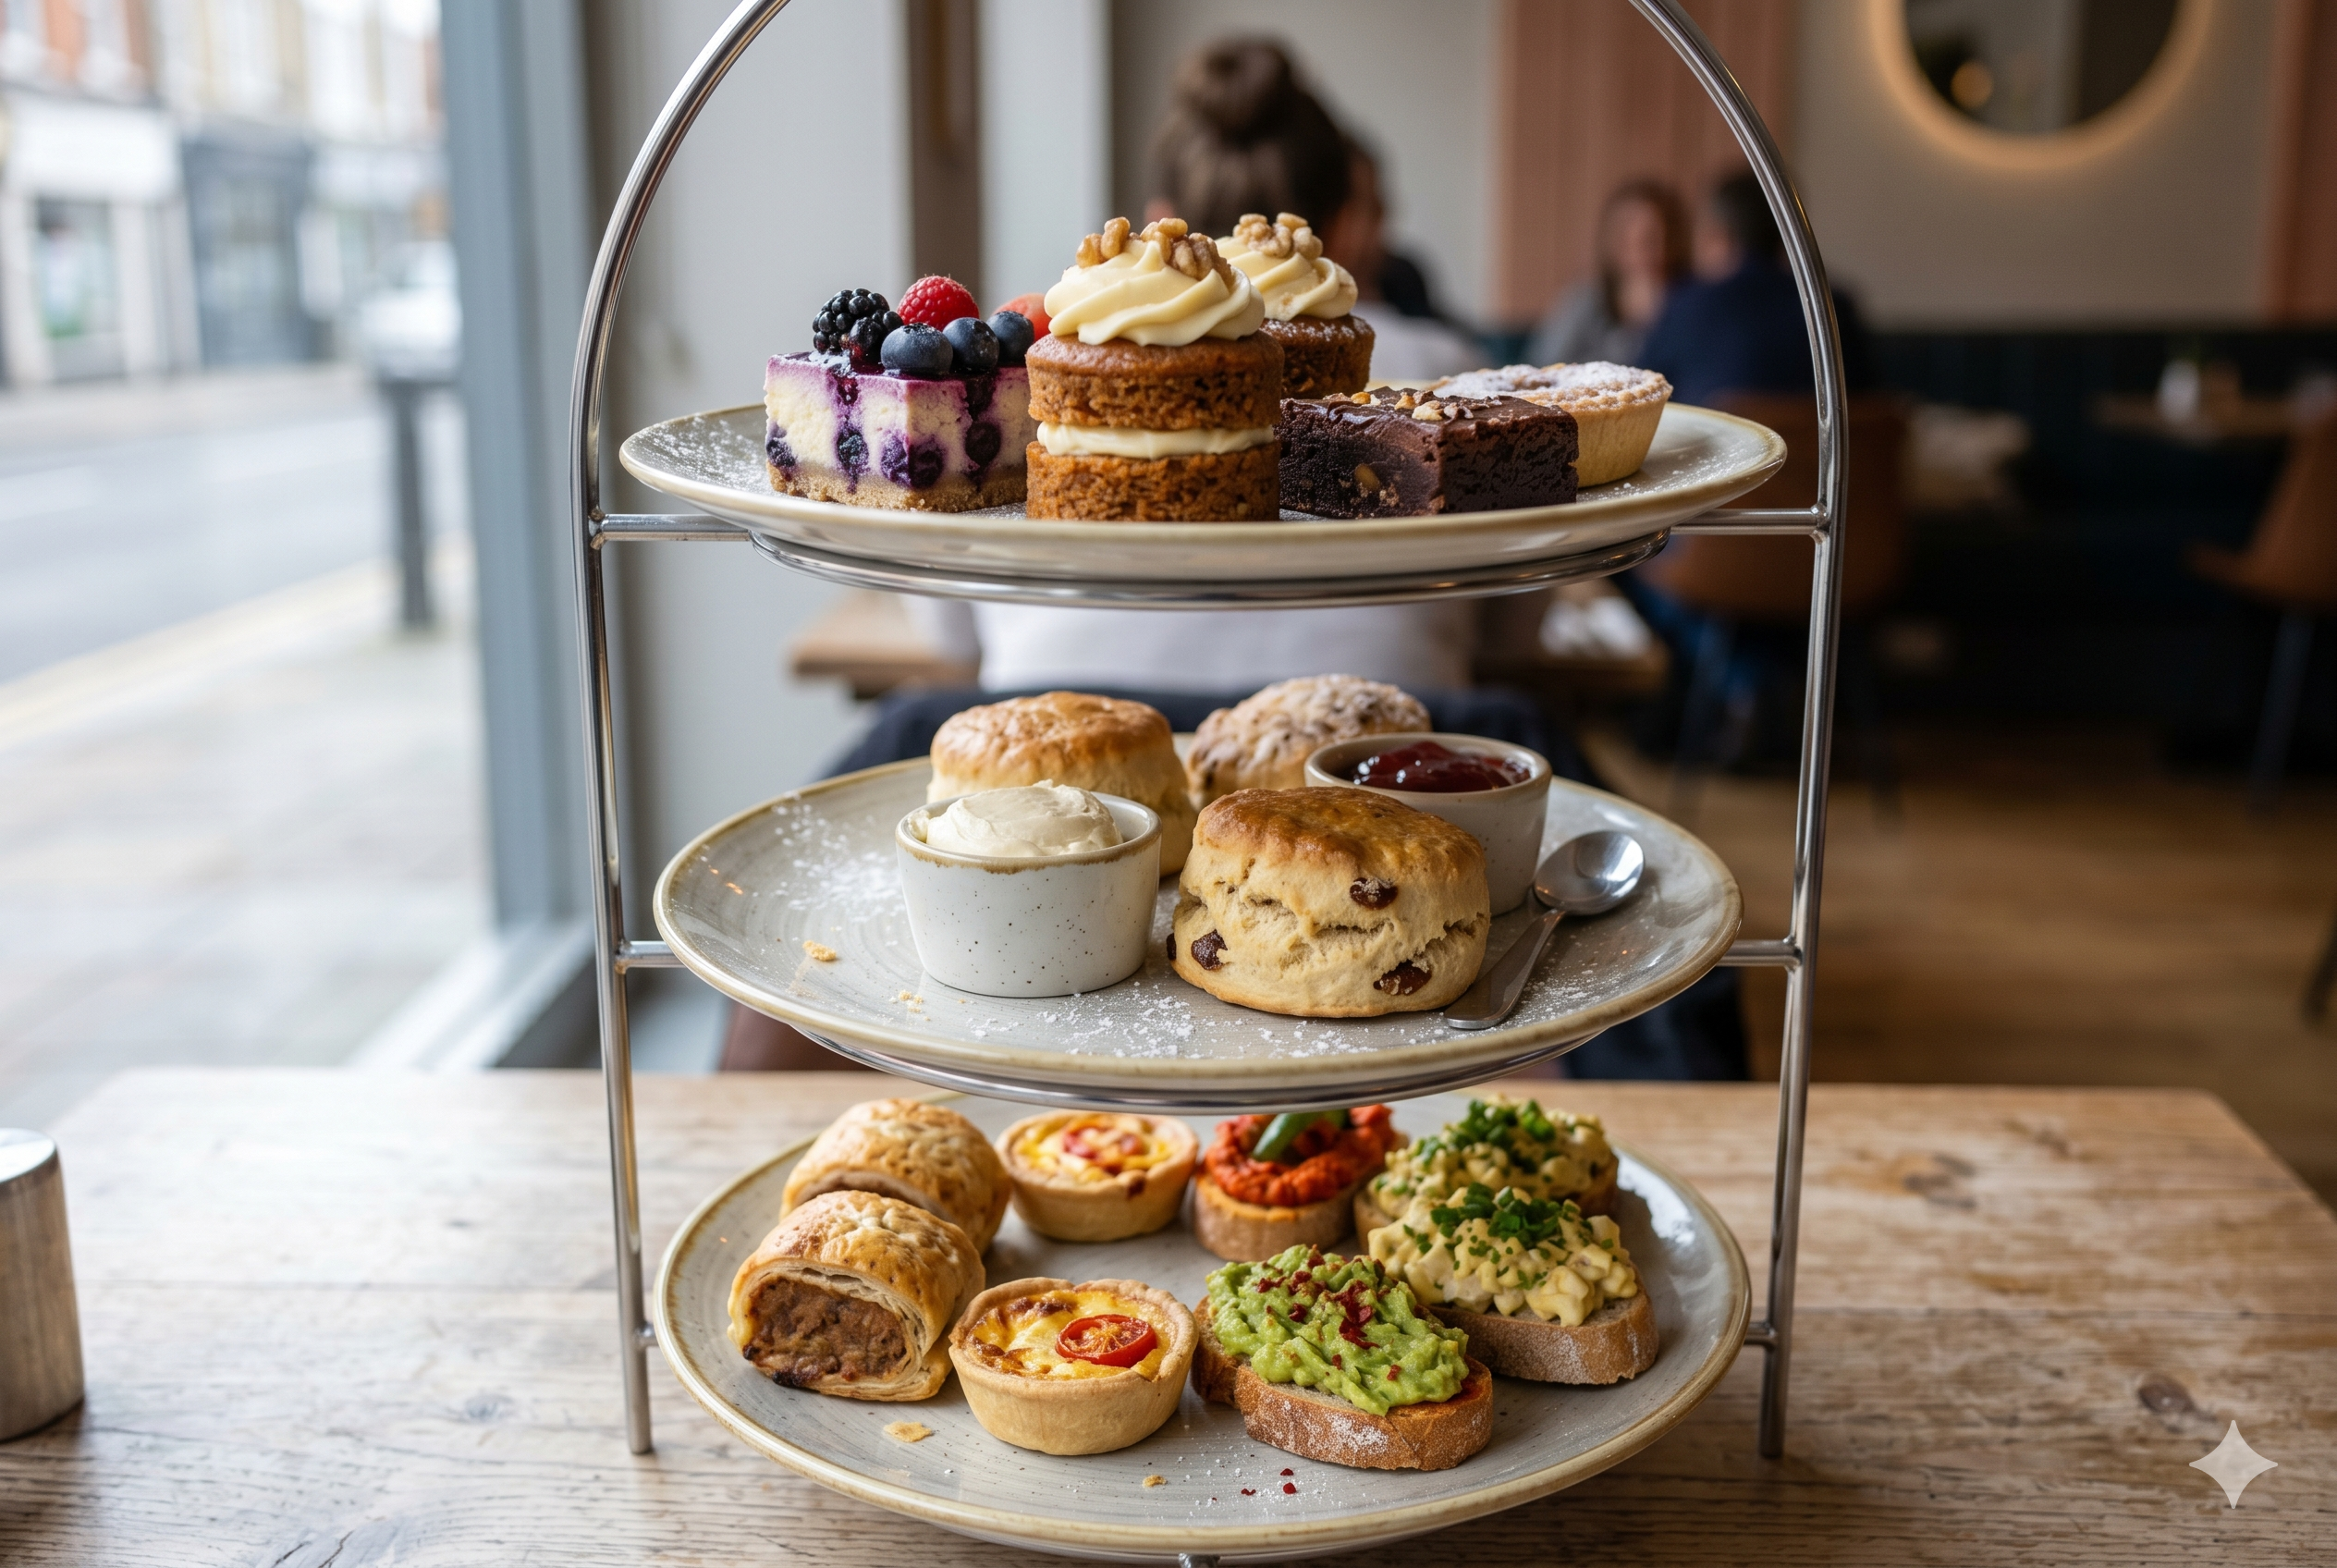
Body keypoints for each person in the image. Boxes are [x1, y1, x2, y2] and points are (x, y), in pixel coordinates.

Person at [953, 36, 1481, 694]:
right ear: (1349, 225)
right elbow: (1513, 604)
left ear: (1156, 226)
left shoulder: (1016, 391)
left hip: (1058, 725)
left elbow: (944, 613)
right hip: (1369, 740)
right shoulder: (1449, 378)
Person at [1637, 171, 1876, 405]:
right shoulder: (1834, 306)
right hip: (1822, 445)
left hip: (1725, 444)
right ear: (1790, 234)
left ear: (1717, 231)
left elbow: (1640, 394)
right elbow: (1871, 404)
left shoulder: (1688, 305)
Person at [1529, 179, 1689, 367]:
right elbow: (1542, 365)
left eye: (1650, 237)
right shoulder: (1585, 298)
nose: (1638, 249)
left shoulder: (1692, 301)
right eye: (1627, 235)